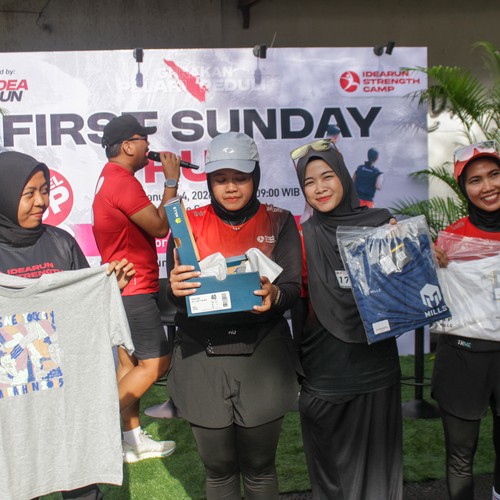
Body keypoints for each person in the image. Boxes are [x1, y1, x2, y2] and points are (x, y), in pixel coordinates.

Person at [167, 131, 301, 499]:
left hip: (263, 356)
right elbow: (173, 296)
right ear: (209, 181)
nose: (230, 188)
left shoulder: (279, 220)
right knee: (219, 469)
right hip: (201, 355)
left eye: (240, 178)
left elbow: (292, 287)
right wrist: (174, 289)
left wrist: (275, 295)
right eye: (220, 179)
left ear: (255, 177)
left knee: (259, 467)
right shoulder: (186, 223)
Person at [0, 150, 135, 500]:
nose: (41, 201)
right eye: (29, 193)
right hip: (13, 396)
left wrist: (109, 290)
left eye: (45, 191)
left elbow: (85, 308)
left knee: (80, 479)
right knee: (18, 480)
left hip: (68, 391)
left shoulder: (60, 243)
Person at [290, 139, 403, 500]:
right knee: (332, 480)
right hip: (325, 375)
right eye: (309, 182)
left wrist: (409, 249)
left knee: (379, 477)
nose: (319, 188)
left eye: (327, 176)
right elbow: (291, 299)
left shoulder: (381, 222)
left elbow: (403, 287)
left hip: (377, 369)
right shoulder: (300, 236)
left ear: (343, 175)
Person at [92, 114, 180, 463]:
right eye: (144, 139)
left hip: (123, 287)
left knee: (128, 366)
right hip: (133, 287)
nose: (149, 146)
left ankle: (132, 441)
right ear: (128, 146)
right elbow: (159, 227)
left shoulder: (110, 177)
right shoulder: (122, 181)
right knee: (157, 362)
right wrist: (171, 181)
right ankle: (88, 429)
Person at [432, 140, 500, 500]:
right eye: (475, 180)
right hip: (462, 357)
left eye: (494, 174)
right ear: (464, 188)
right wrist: (423, 257)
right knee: (460, 455)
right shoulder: (450, 240)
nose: (488, 186)